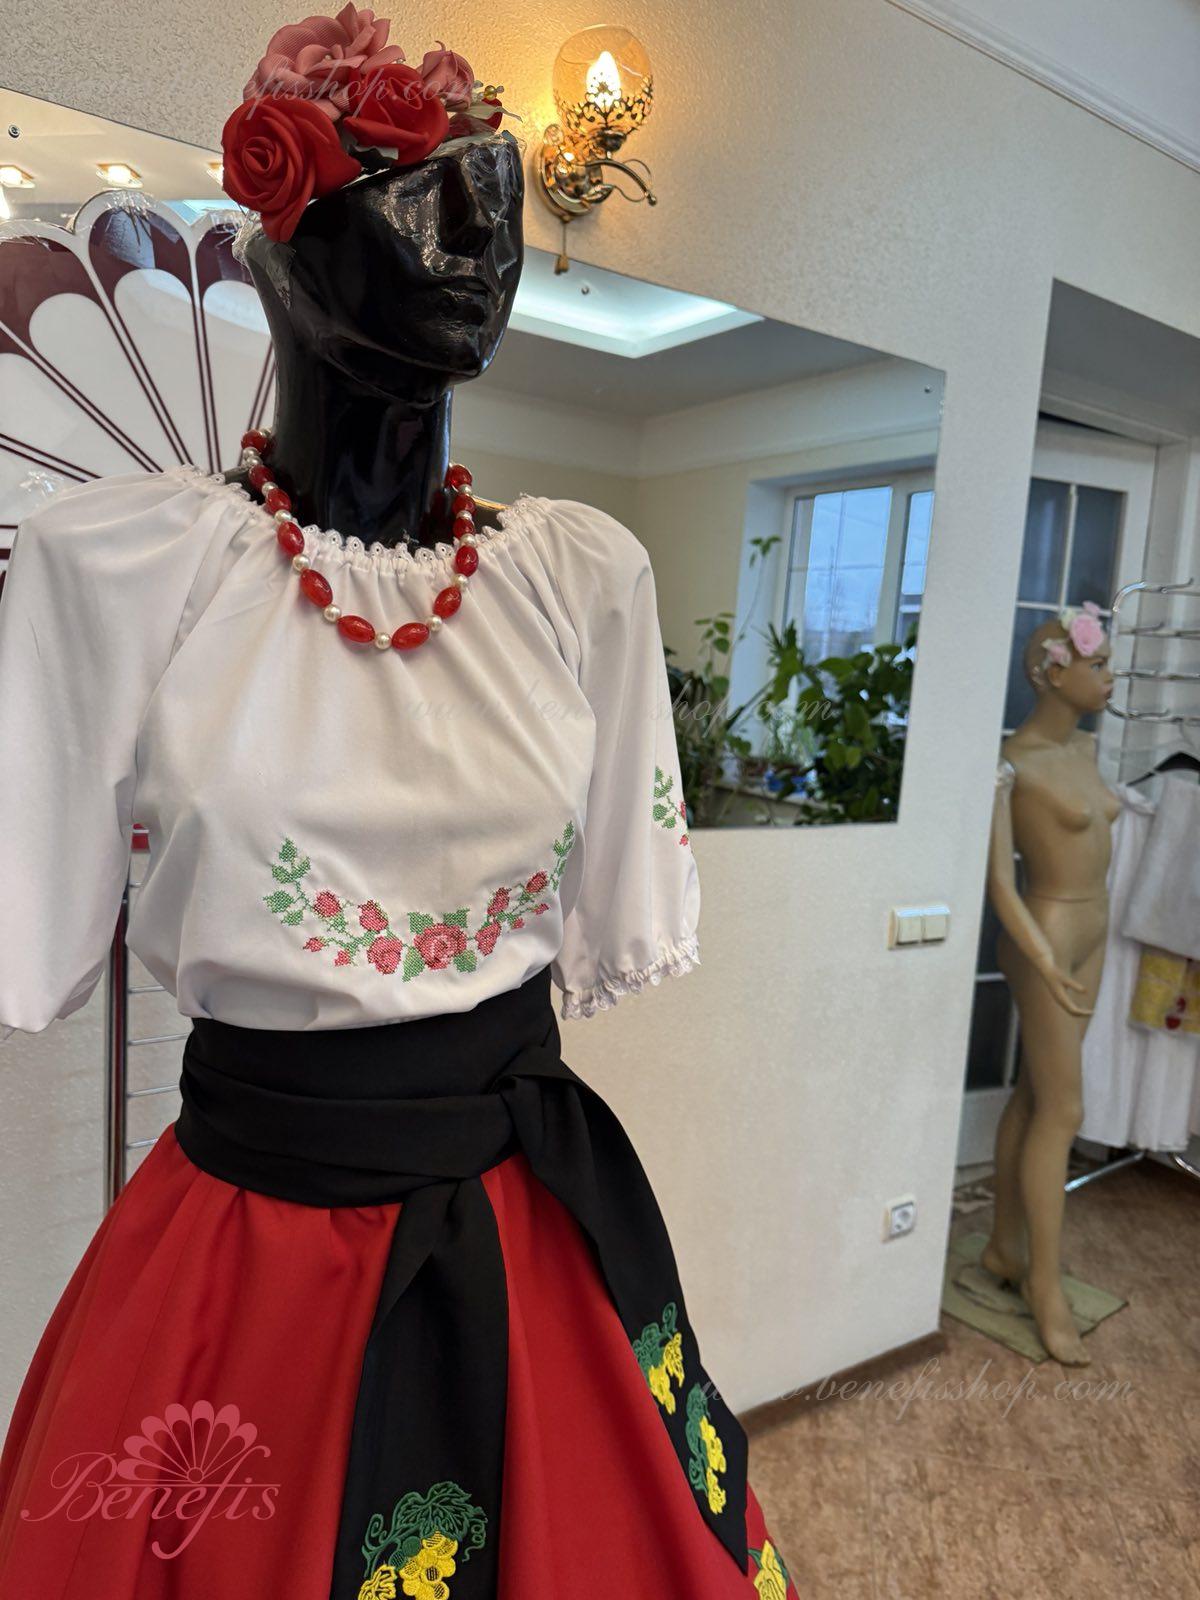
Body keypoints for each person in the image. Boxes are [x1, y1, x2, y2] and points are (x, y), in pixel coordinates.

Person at [0, 10, 799, 1596]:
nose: (479, 241)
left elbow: (613, 906)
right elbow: (41, 920)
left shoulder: (582, 580)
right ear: (278, 247)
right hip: (253, 1244)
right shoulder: (125, 568)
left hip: (529, 1219)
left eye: (497, 199)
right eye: (414, 196)